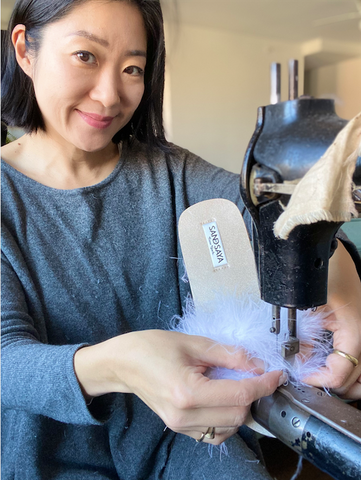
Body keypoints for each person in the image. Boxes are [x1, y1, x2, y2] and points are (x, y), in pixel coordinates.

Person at [1, 1, 360, 479]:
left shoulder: (174, 173)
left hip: (194, 451)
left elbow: (281, 220)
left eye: (133, 67)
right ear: (25, 50)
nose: (110, 95)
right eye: (85, 55)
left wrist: (347, 293)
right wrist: (118, 365)